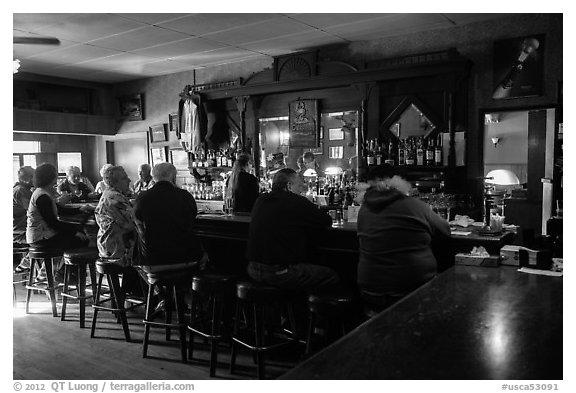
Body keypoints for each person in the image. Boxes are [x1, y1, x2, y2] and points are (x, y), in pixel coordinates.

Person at [356, 164, 451, 313]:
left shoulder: (364, 209)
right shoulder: (415, 206)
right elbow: (445, 232)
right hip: (412, 290)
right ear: (400, 182)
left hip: (370, 290)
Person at [246, 168, 340, 290]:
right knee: (331, 275)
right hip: (279, 272)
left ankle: (286, 307)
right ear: (289, 186)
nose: (301, 189)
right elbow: (326, 221)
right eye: (299, 186)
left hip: (252, 268)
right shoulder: (296, 201)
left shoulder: (260, 200)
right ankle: (300, 308)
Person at [133, 163, 207, 273]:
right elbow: (192, 219)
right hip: (186, 258)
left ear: (153, 178)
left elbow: (137, 221)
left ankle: (155, 289)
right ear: (174, 177)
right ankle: (187, 289)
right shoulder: (185, 196)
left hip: (152, 261)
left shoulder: (142, 198)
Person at [26, 163, 90, 279]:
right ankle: (63, 273)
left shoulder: (42, 192)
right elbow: (53, 223)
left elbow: (60, 209)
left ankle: (62, 271)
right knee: (81, 240)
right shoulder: (42, 196)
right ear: (50, 178)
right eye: (55, 176)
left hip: (42, 235)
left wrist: (80, 209)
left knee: (79, 235)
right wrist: (74, 232)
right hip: (41, 238)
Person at [94, 165, 142, 295]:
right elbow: (132, 223)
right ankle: (154, 297)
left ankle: (132, 291)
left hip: (108, 246)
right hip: (117, 250)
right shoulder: (114, 198)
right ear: (114, 182)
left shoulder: (109, 194)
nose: (129, 181)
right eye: (125, 178)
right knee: (152, 254)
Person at [13, 166, 35, 272]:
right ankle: (29, 262)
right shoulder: (21, 191)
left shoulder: (23, 190)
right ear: (22, 179)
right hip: (19, 232)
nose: (34, 179)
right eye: (31, 176)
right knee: (51, 237)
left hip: (23, 228)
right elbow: (34, 209)